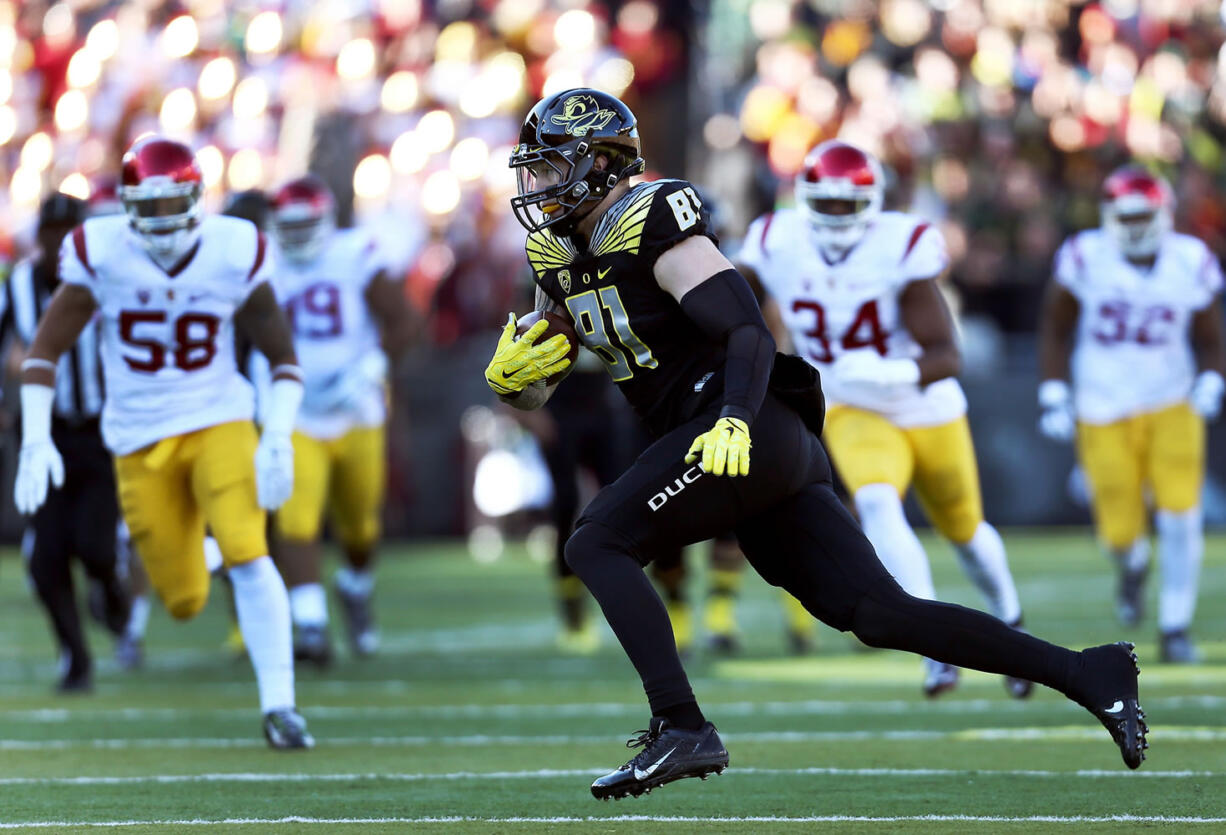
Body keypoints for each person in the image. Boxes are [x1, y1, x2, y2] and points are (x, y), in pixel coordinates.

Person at [488, 88, 1148, 800]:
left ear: (600, 163)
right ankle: (1092, 673)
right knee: (878, 612)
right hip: (745, 442)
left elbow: (746, 328)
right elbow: (548, 361)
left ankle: (681, 725)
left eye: (554, 167)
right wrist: (515, 386)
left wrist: (734, 416)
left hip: (743, 427)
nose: (541, 184)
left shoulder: (650, 220)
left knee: (595, 540)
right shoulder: (553, 251)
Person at [13, 136, 313, 748]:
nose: (159, 223)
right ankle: (207, 554)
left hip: (218, 419)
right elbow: (44, 353)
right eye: (144, 209)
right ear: (123, 207)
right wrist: (35, 438)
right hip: (137, 436)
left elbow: (283, 356)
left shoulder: (233, 250)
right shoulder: (101, 254)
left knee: (250, 551)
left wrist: (277, 434)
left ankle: (280, 706)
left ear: (198, 199)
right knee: (180, 600)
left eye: (169, 205)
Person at [737, 140, 1029, 697]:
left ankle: (1010, 618)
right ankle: (936, 648)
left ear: (871, 202)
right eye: (826, 204)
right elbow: (735, 305)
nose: (837, 216)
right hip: (848, 404)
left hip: (925, 405)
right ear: (804, 199)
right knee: (873, 501)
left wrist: (891, 372)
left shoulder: (902, 244)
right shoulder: (775, 242)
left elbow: (947, 355)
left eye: (849, 205)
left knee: (965, 532)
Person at [1038, 165, 1225, 663]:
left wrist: (1212, 378)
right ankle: (1134, 567)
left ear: (1163, 213)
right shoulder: (1085, 256)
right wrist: (1054, 391)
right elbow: (1055, 329)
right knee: (1120, 533)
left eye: (1146, 214)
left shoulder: (1191, 260)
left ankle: (1175, 626)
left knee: (1181, 513)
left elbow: (1209, 336)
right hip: (1103, 403)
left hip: (1171, 400)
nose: (1138, 224)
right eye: (1129, 215)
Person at [262, 174, 412, 664]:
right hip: (296, 408)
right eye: (290, 225)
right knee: (296, 519)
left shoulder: (354, 253)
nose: (299, 235)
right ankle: (310, 625)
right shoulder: (264, 262)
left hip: (357, 410)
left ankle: (353, 586)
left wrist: (374, 365)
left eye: (307, 224)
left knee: (361, 530)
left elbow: (404, 318)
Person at [1, 193, 127, 692]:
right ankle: (76, 658)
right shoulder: (18, 285)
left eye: (66, 231)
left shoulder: (110, 276)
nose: (57, 243)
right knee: (46, 556)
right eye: (50, 233)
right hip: (45, 432)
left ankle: (109, 587)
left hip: (103, 429)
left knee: (94, 544)